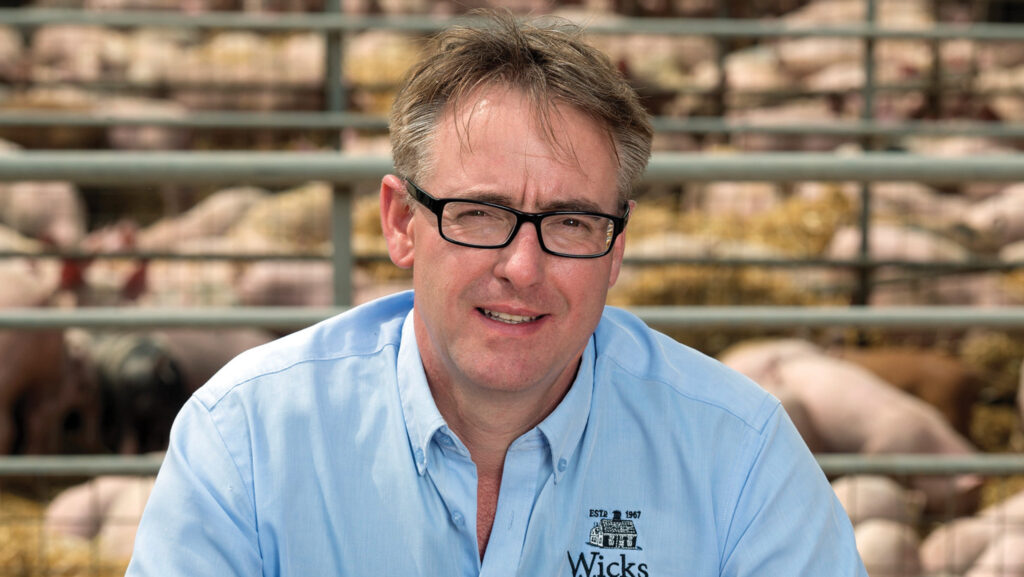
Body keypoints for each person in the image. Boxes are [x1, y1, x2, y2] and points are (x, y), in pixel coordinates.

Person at [127, 11, 867, 576]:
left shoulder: (739, 457)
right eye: (479, 213)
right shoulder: (248, 442)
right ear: (402, 223)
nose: (522, 266)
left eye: (571, 222)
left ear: (616, 248)